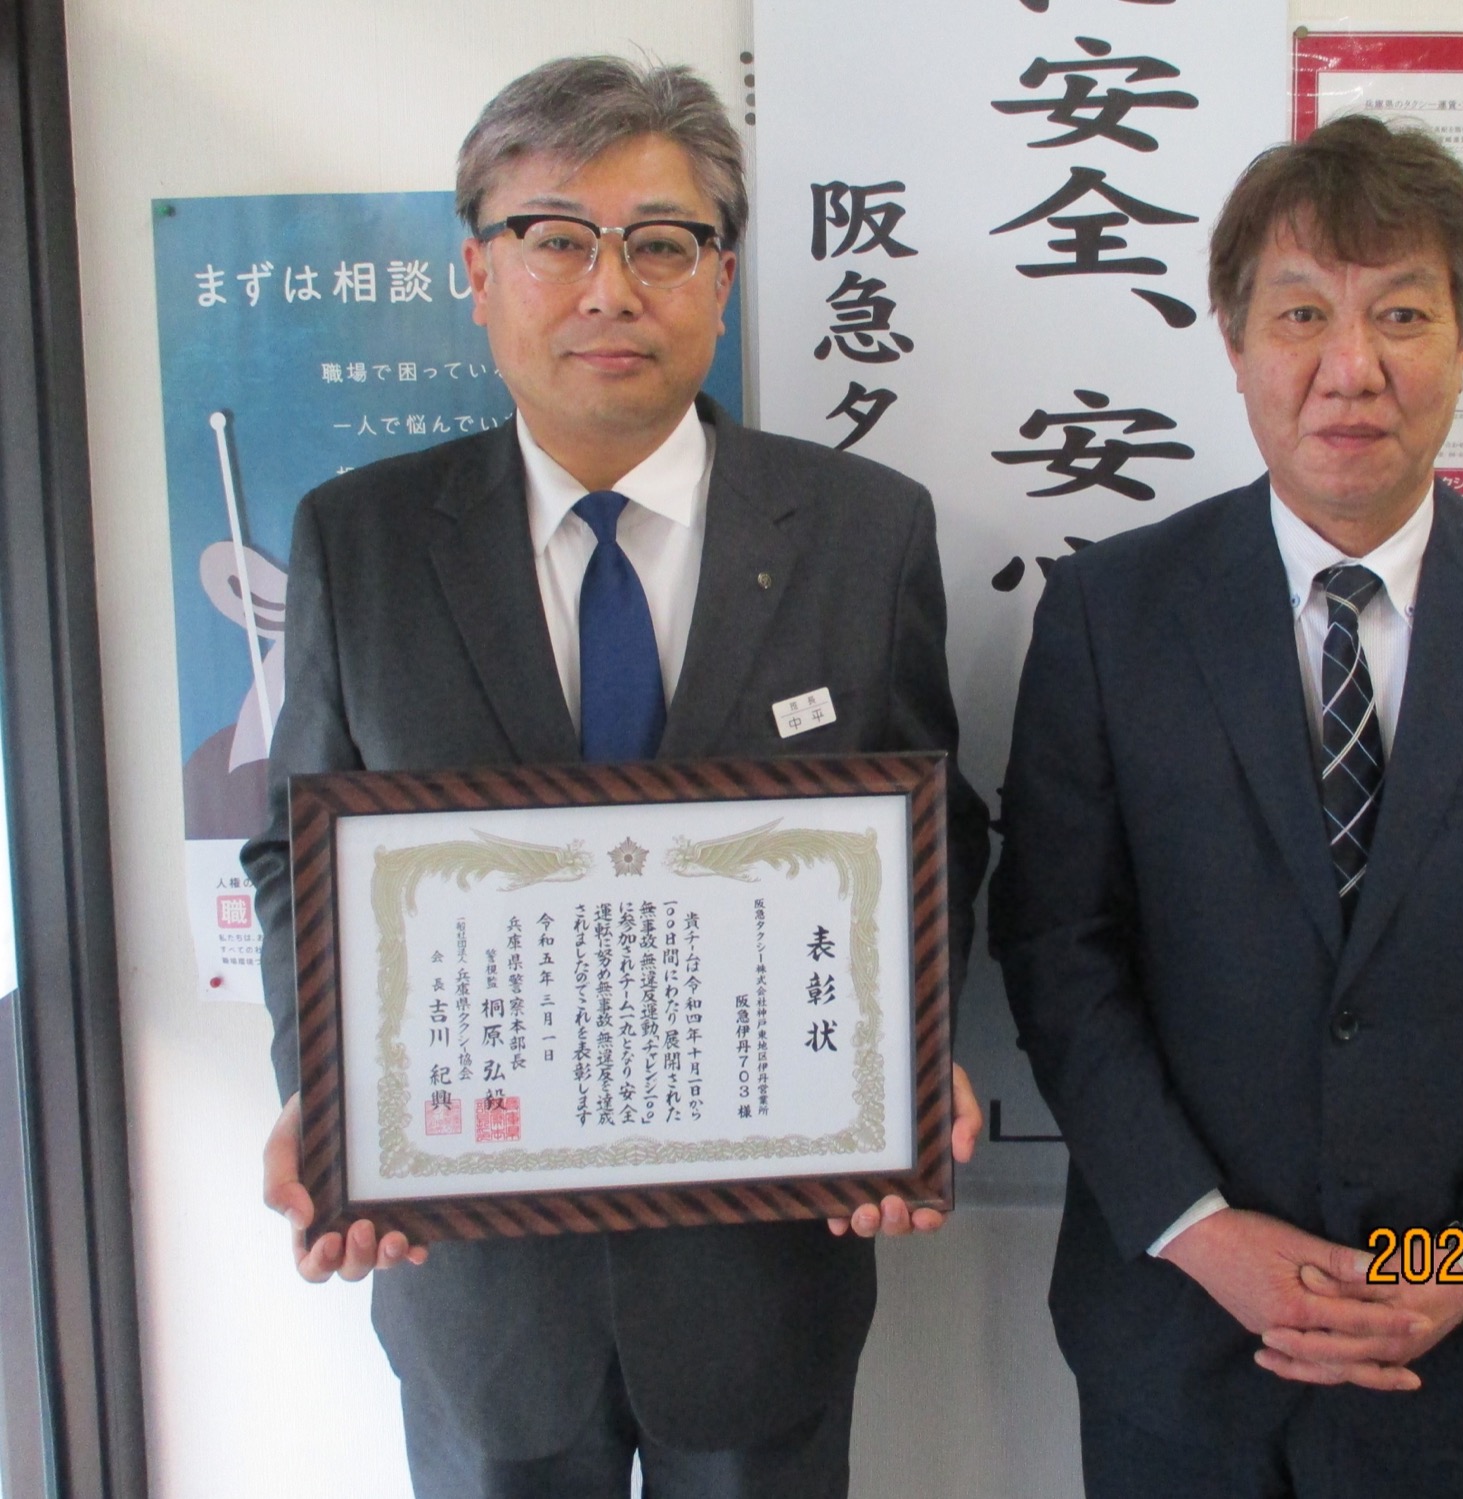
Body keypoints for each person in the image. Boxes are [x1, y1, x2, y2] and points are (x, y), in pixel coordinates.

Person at [245, 56, 989, 1498]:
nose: (609, 289)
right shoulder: (361, 539)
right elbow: (297, 849)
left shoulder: (864, 531)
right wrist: (326, 1094)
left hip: (768, 1269)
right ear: (477, 271)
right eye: (555, 239)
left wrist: (904, 1055)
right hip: (473, 1277)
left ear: (723, 278)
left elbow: (937, 832)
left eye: (661, 243)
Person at [990, 113, 1463, 1499]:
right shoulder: (1109, 615)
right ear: (1234, 341)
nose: (1352, 366)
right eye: (1303, 313)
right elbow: (1055, 949)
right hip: (1177, 1341)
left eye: (1403, 314)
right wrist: (1201, 1229)